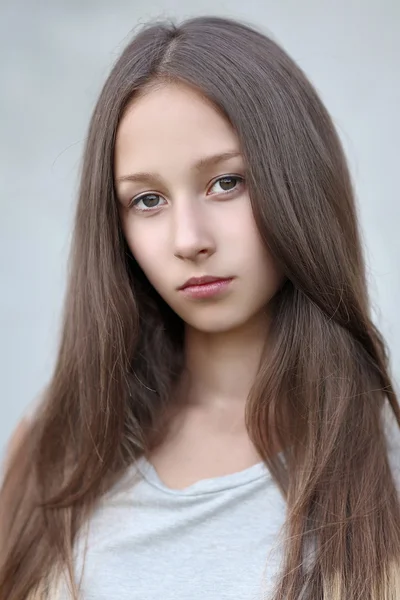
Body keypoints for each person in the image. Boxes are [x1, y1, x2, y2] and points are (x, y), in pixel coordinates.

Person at [1, 14, 399, 600]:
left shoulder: (383, 473)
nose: (189, 239)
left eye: (226, 183)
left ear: (299, 182)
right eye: (147, 199)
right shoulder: (51, 453)